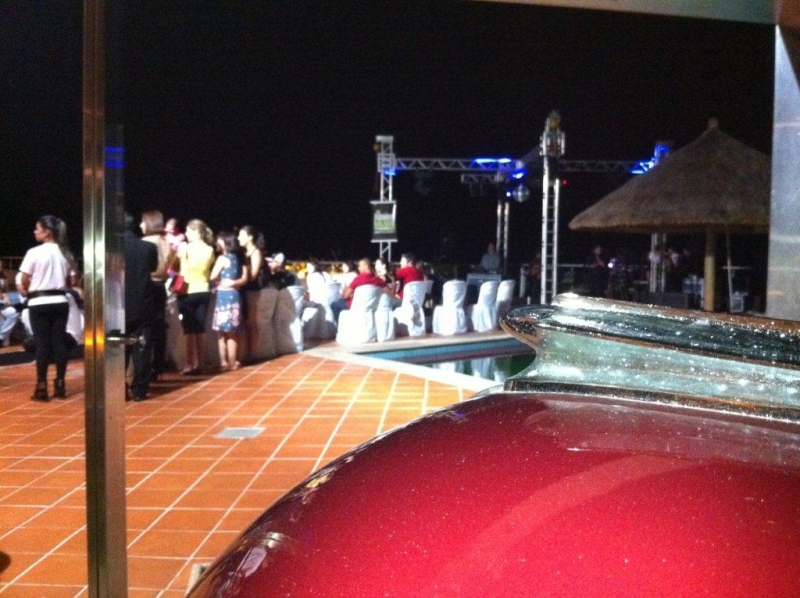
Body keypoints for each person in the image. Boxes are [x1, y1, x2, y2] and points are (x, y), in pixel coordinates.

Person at [17, 215, 78, 401]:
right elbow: (72, 281)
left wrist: (27, 287)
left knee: (42, 343)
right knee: (59, 342)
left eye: (38, 228)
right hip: (59, 301)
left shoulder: (34, 253)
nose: (35, 231)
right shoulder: (66, 253)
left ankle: (41, 386)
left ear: (47, 232)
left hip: (38, 302)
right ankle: (60, 384)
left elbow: (24, 279)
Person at [124, 212, 159, 401]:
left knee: (119, 348)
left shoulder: (111, 249)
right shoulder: (149, 247)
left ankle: (118, 385)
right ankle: (139, 388)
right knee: (142, 347)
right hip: (143, 303)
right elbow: (153, 269)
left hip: (118, 304)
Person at [175, 219, 215, 374]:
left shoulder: (185, 248)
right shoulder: (210, 249)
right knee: (200, 328)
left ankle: (189, 364)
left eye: (188, 230)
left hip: (187, 290)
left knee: (188, 330)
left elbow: (175, 266)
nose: (186, 233)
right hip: (204, 290)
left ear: (197, 231)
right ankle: (201, 363)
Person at [140, 210, 176, 380]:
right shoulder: (166, 243)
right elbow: (171, 265)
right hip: (161, 286)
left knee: (146, 327)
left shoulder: (144, 243)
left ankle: (144, 365)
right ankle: (158, 365)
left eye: (143, 221)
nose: (140, 225)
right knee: (159, 326)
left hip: (147, 286)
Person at [210, 231, 247, 371]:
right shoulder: (241, 259)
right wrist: (234, 283)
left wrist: (220, 281)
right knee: (233, 331)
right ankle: (234, 361)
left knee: (222, 332)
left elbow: (213, 275)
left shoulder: (222, 259)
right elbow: (245, 279)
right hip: (235, 294)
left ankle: (225, 362)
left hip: (223, 295)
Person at [237, 225, 266, 361]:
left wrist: (241, 275)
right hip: (243, 289)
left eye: (241, 235)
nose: (238, 238)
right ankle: (246, 353)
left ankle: (253, 354)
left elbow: (253, 275)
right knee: (245, 322)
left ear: (250, 237)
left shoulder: (256, 252)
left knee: (251, 322)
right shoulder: (243, 253)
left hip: (252, 290)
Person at [330, 257, 386, 323]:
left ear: (366, 266)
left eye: (360, 266)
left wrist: (347, 290)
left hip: (355, 306)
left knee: (334, 305)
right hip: (372, 307)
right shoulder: (378, 280)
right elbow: (390, 294)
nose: (358, 268)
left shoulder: (359, 279)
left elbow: (345, 295)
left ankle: (339, 326)